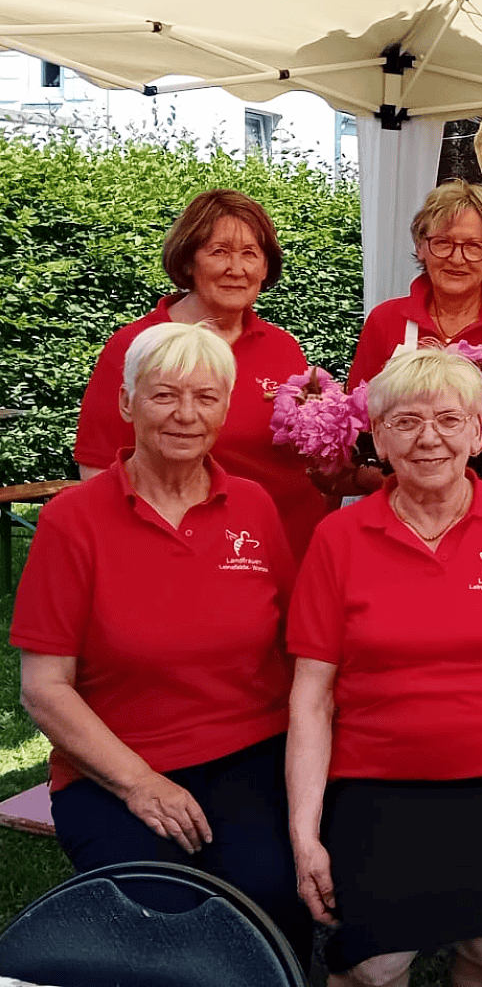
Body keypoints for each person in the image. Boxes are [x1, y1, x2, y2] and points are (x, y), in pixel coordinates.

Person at [287, 346, 482, 987]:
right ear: (376, 436)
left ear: (478, 432)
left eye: (447, 419)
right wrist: (305, 833)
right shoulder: (339, 541)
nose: (428, 438)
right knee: (373, 965)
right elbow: (311, 696)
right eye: (405, 421)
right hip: (378, 775)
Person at [11, 323, 310, 960]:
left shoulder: (252, 507)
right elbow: (43, 689)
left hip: (251, 754)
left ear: (226, 410)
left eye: (206, 397)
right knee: (160, 929)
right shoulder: (73, 519)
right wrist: (139, 783)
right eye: (163, 395)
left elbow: (297, 646)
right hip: (114, 766)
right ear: (127, 404)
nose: (185, 415)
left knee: (268, 911)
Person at [73, 188, 331, 560]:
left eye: (250, 254)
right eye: (219, 252)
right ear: (189, 261)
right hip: (186, 553)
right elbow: (96, 466)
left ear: (265, 267)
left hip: (292, 546)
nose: (236, 269)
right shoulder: (138, 347)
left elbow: (310, 462)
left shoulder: (282, 346)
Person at [339, 179, 482, 499]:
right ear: (421, 247)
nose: (456, 258)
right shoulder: (386, 321)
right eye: (443, 243)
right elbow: (355, 423)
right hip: (395, 504)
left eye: (473, 246)